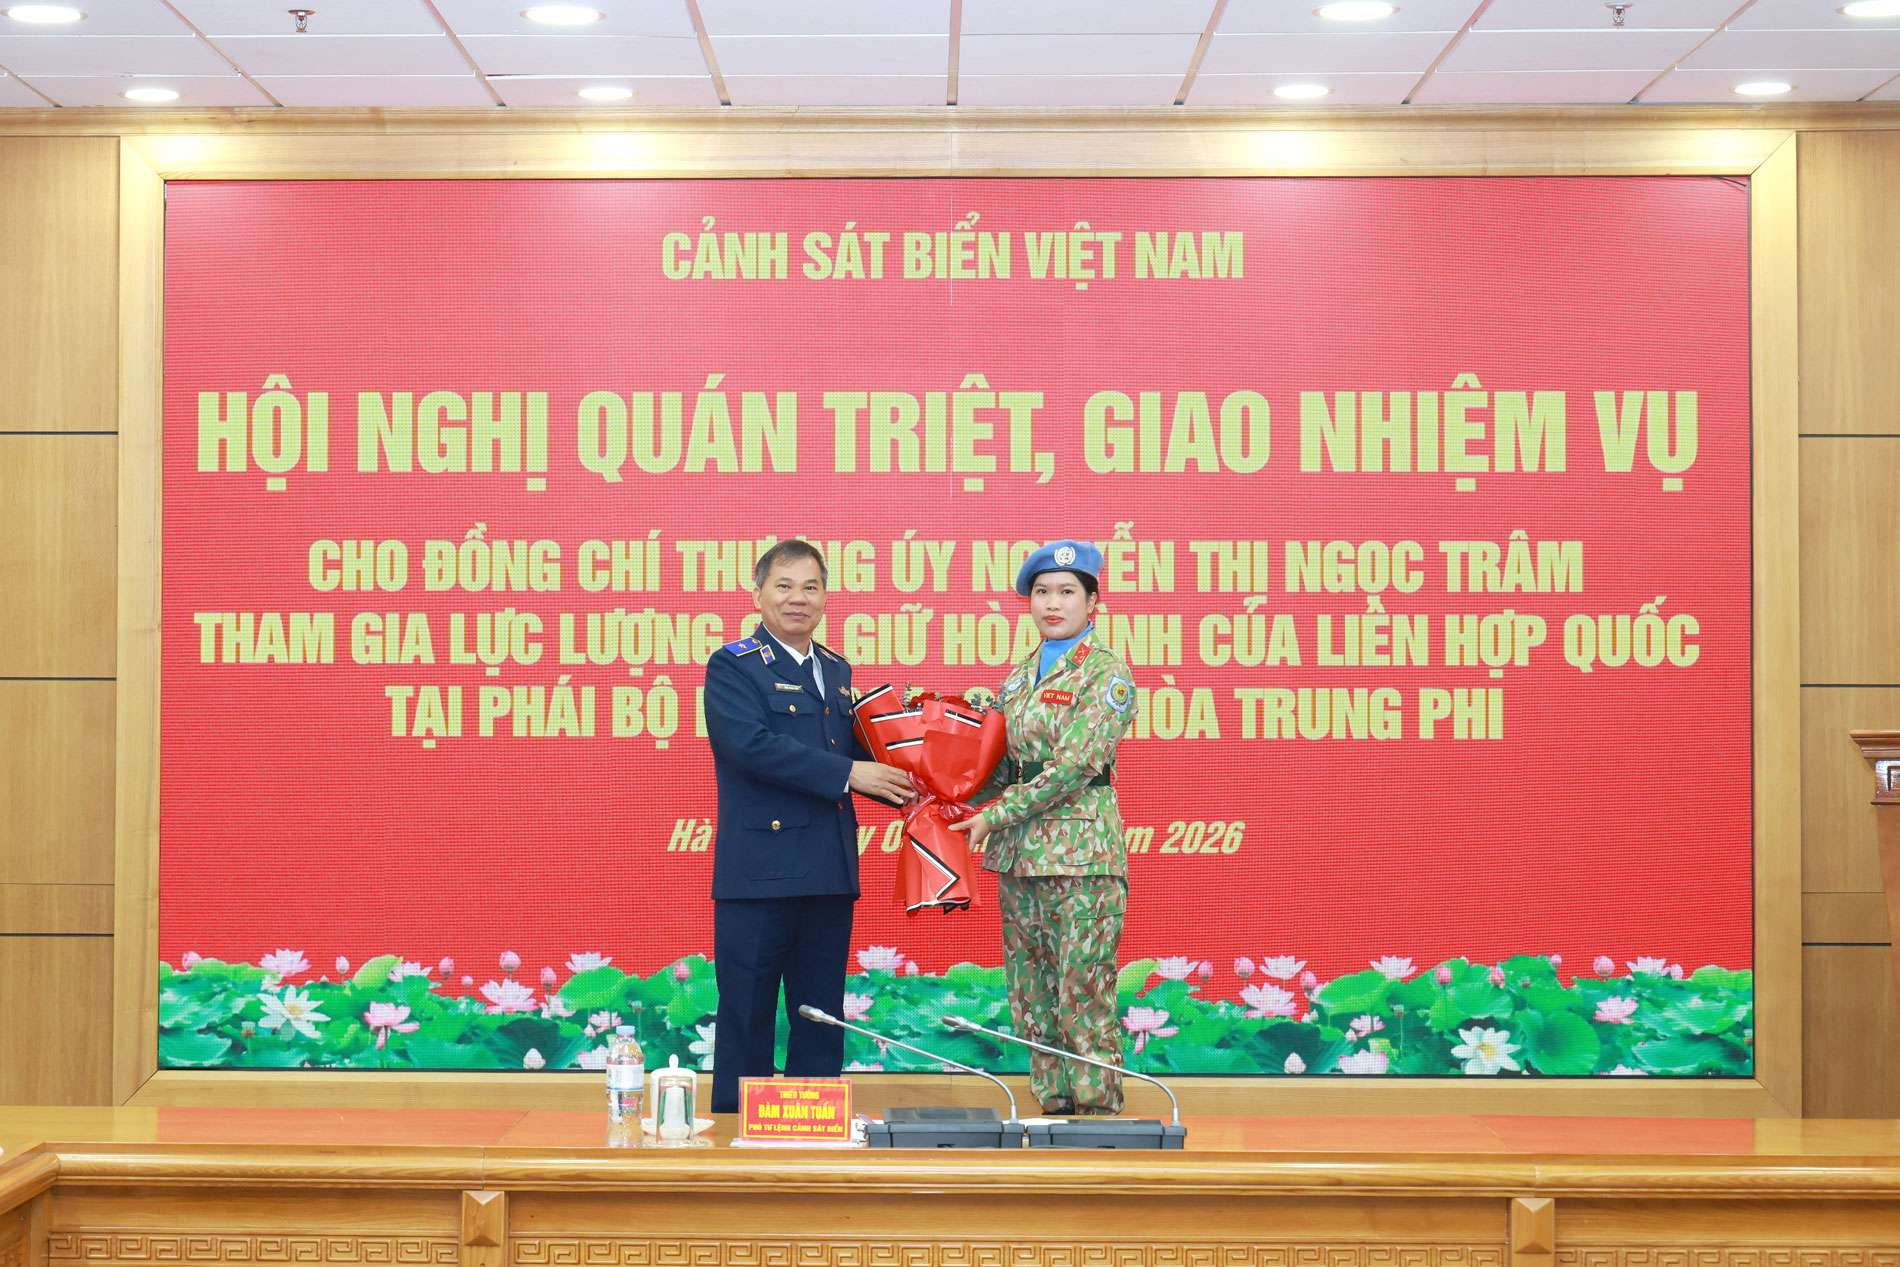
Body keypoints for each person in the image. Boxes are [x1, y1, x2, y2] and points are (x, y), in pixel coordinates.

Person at [702, 539, 912, 1113]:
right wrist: (850, 773)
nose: (798, 598)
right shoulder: (733, 665)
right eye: (785, 586)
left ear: (825, 597)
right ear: (758, 594)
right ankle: (736, 1136)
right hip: (759, 874)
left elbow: (860, 752)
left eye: (810, 587)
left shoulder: (836, 670)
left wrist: (925, 767)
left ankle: (813, 1134)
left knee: (821, 1013)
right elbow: (749, 746)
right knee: (747, 1011)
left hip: (827, 869)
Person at [949, 540, 1137, 1115]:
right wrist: (942, 795)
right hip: (1021, 857)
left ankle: (1098, 1118)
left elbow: (1074, 768)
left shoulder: (1106, 673)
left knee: (1083, 994)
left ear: (1093, 602)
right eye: (1042, 592)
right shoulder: (1017, 679)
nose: (1053, 604)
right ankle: (1052, 1112)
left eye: (1067, 592)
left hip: (1081, 857)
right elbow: (999, 768)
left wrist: (993, 815)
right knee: (1031, 998)